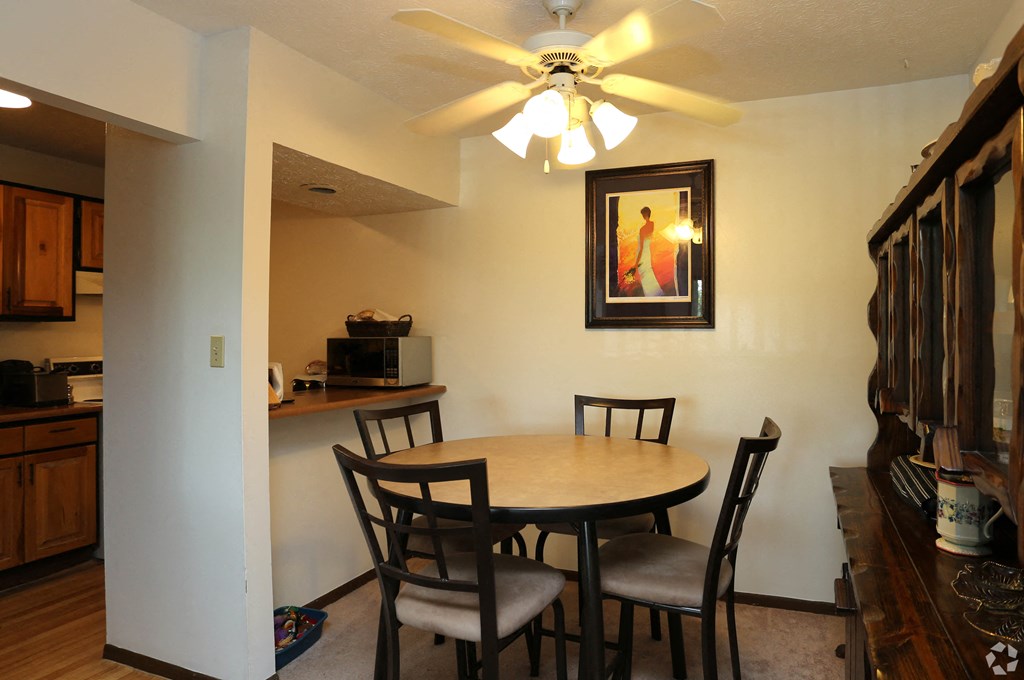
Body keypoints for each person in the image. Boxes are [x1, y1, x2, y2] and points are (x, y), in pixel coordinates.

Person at [625, 206, 665, 297]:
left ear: (644, 215)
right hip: (647, 253)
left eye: (642, 214)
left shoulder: (643, 229)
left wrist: (636, 263)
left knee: (645, 275)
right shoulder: (652, 224)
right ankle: (655, 294)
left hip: (642, 254)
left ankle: (652, 294)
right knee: (648, 272)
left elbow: (641, 247)